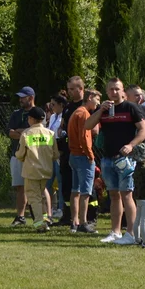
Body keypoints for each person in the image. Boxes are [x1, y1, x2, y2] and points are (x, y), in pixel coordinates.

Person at [84, 78, 145, 246]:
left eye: (117, 89)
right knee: (113, 195)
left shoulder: (131, 108)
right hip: (107, 158)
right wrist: (99, 111)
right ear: (107, 92)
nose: (114, 92)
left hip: (126, 159)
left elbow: (144, 130)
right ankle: (115, 232)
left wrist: (131, 145)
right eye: (111, 89)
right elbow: (88, 125)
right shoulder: (104, 109)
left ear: (123, 91)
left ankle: (131, 233)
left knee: (127, 194)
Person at [16, 106, 58, 233]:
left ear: (31, 119)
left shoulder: (27, 133)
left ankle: (39, 223)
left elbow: (20, 153)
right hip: (46, 170)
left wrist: (20, 156)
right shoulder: (50, 134)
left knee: (33, 197)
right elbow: (55, 154)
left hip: (31, 170)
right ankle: (45, 219)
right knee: (42, 196)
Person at [67, 89, 100, 234]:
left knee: (76, 190)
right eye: (97, 100)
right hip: (82, 156)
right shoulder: (84, 114)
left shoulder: (77, 111)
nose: (98, 103)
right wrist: (90, 155)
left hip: (73, 155)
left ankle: (74, 221)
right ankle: (83, 222)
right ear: (90, 97)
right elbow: (84, 137)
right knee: (85, 192)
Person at [56, 76, 86, 226]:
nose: (70, 92)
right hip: (68, 150)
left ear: (81, 89)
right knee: (67, 185)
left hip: (83, 150)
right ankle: (67, 216)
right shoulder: (67, 107)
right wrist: (61, 130)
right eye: (68, 89)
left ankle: (89, 217)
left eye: (72, 89)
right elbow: (63, 124)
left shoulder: (86, 105)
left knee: (85, 186)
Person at [7, 87, 35, 226]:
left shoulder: (37, 113)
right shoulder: (16, 114)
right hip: (17, 154)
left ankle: (40, 215)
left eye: (23, 97)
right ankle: (20, 216)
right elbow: (10, 132)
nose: (20, 100)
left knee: (37, 186)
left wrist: (21, 132)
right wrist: (24, 133)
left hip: (34, 156)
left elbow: (36, 131)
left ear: (31, 98)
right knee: (20, 186)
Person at [46, 95, 66, 219]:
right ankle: (49, 208)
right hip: (50, 150)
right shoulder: (53, 116)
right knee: (48, 180)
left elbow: (62, 133)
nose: (51, 107)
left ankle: (61, 207)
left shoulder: (64, 116)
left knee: (60, 181)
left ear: (61, 105)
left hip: (60, 151)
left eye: (53, 104)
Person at [126, 85, 145, 153]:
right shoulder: (122, 110)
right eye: (136, 95)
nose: (140, 97)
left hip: (141, 152)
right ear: (126, 96)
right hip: (125, 151)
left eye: (141, 95)